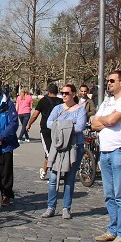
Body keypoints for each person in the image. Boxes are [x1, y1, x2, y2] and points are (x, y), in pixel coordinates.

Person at [90, 70, 121, 242]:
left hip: (120, 150)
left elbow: (111, 120)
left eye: (111, 80)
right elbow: (94, 123)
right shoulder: (107, 101)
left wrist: (105, 120)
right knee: (109, 194)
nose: (108, 83)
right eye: (107, 80)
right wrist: (105, 119)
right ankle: (113, 229)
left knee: (120, 194)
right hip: (105, 150)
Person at [42, 84, 88, 219]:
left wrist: (60, 125)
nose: (64, 95)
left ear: (74, 94)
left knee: (69, 178)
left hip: (74, 146)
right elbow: (49, 123)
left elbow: (79, 127)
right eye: (62, 93)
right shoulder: (57, 108)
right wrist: (67, 125)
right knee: (53, 177)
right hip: (58, 146)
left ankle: (66, 208)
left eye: (66, 93)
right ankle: (51, 206)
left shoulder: (80, 110)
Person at [26, 84, 62, 181]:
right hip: (58, 128)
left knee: (49, 152)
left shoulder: (43, 101)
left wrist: (29, 124)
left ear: (48, 91)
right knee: (51, 151)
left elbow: (35, 114)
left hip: (45, 129)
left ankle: (54, 174)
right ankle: (45, 171)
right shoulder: (61, 102)